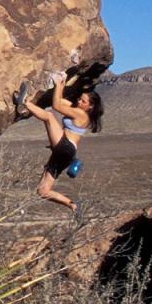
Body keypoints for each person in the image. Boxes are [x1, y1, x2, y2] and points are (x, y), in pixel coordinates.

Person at [14, 70, 103, 213]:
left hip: (65, 147)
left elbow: (55, 106)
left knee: (49, 116)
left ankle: (23, 103)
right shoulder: (77, 109)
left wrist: (58, 83)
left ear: (90, 106)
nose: (79, 101)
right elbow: (60, 101)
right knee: (43, 191)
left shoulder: (82, 114)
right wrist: (62, 82)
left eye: (83, 101)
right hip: (65, 153)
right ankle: (72, 204)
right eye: (80, 99)